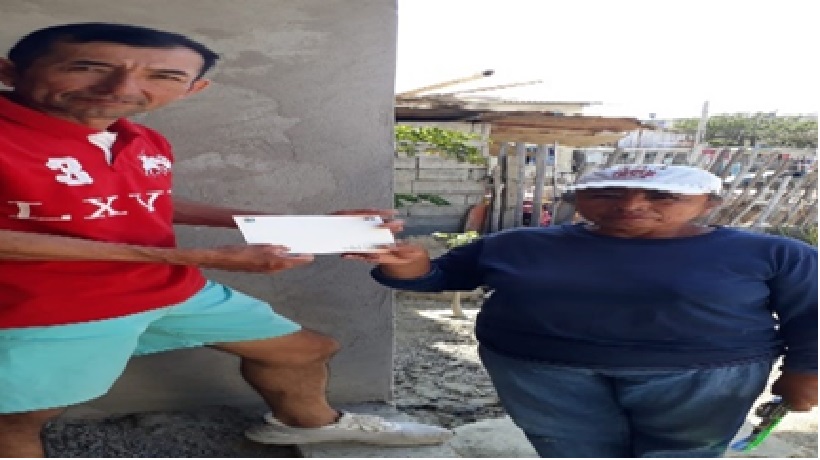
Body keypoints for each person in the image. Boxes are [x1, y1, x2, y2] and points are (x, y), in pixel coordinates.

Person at [0, 22, 452, 458]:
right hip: (46, 306)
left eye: (163, 76)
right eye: (87, 67)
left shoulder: (139, 137)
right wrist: (201, 256)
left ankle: (305, 424)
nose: (121, 87)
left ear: (192, 89)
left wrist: (296, 223)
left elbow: (143, 199)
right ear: (9, 71)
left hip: (167, 287)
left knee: (304, 350)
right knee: (17, 419)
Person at [348, 164, 818, 458]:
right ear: (577, 200)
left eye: (663, 196)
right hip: (540, 374)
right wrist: (409, 265)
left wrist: (805, 373)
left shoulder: (773, 254)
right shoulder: (516, 244)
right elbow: (437, 277)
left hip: (702, 379)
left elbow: (810, 314)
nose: (631, 205)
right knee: (571, 450)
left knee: (683, 451)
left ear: (709, 203)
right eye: (608, 194)